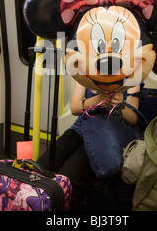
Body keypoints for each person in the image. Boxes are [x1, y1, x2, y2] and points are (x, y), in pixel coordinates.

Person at [37, 81, 143, 210]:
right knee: (40, 168)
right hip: (81, 127)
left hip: (109, 134)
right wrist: (95, 100)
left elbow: (133, 120)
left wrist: (119, 104)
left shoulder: (131, 76)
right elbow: (75, 109)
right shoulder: (85, 70)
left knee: (68, 179)